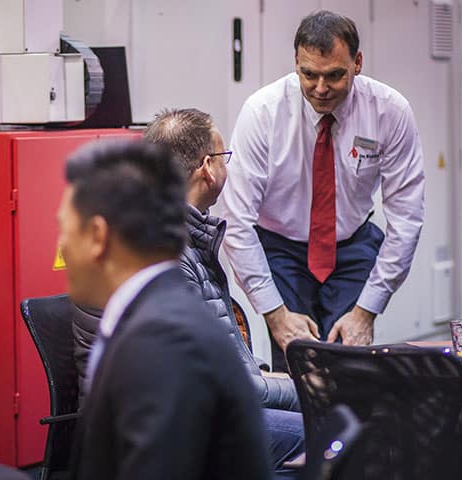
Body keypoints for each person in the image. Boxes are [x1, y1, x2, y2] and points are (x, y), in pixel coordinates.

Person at [215, 10, 425, 370]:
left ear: (357, 63)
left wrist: (367, 311)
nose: (321, 88)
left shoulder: (389, 111)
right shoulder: (263, 112)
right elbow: (236, 221)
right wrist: (276, 315)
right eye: (309, 74)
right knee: (297, 361)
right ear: (295, 63)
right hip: (281, 246)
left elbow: (406, 219)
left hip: (351, 244)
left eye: (334, 75)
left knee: (349, 361)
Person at [59, 140, 272, 480]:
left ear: (98, 236)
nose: (61, 247)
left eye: (65, 230)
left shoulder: (161, 342)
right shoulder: (153, 315)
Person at [142, 108, 303, 478]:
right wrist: (306, 390)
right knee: (334, 434)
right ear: (208, 168)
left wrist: (272, 378)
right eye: (223, 156)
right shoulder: (170, 254)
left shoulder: (170, 235)